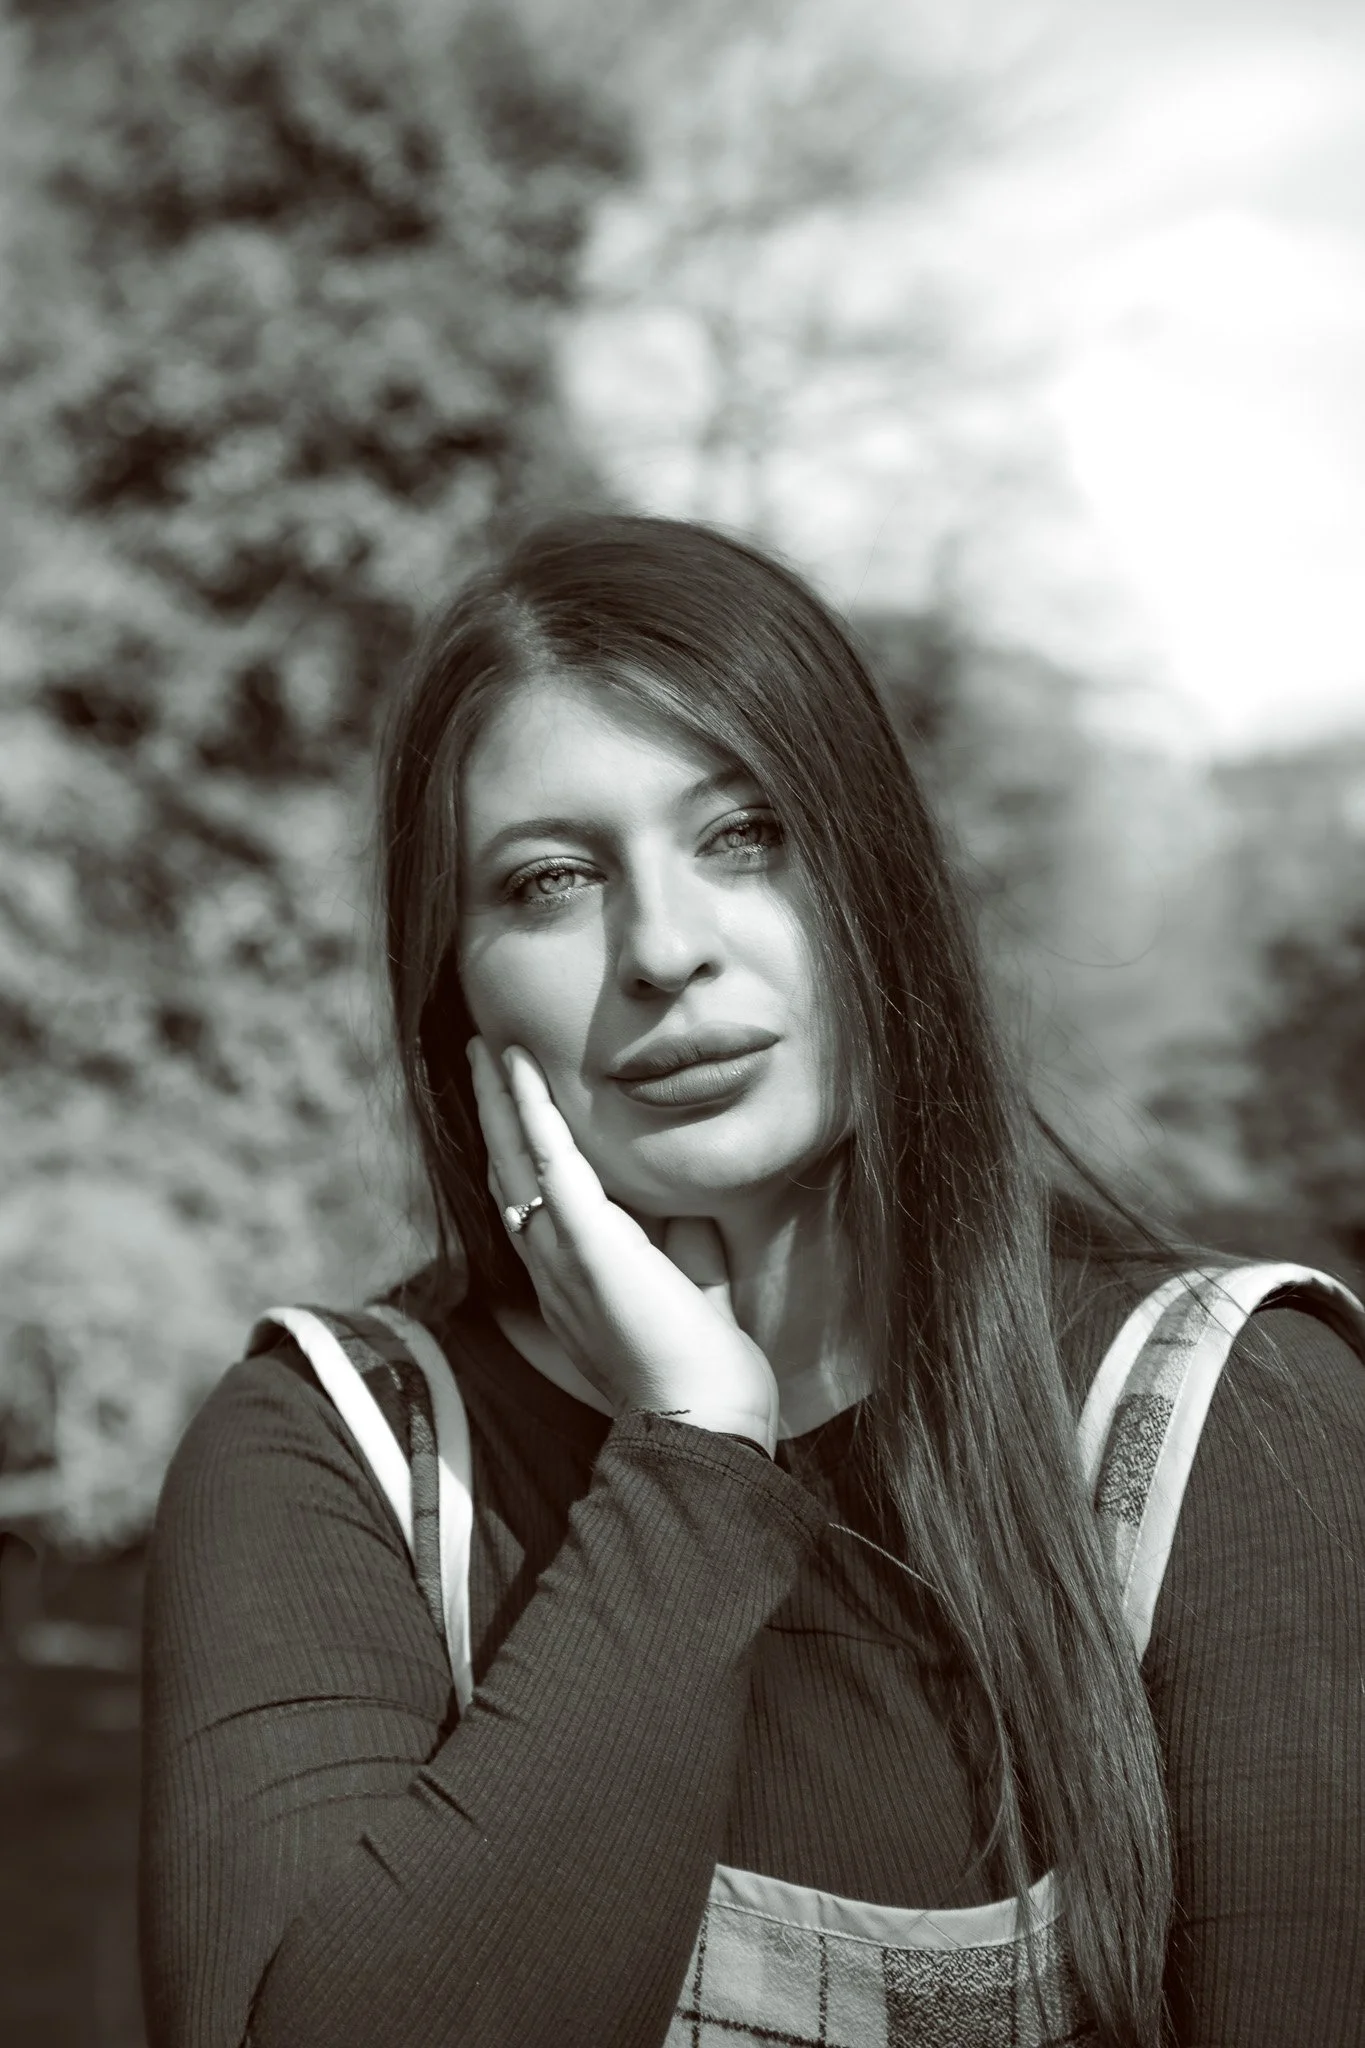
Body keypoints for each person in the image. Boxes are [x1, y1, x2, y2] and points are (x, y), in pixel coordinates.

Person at [139, 514, 1365, 2048]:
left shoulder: (1225, 1418)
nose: (664, 949)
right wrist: (698, 1463)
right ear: (451, 983)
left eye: (744, 835)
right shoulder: (341, 1455)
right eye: (550, 882)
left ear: (878, 885)